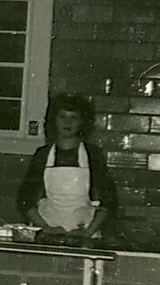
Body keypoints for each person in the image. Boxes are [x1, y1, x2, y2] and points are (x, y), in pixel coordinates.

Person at [16, 93, 117, 246]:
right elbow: (25, 200)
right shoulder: (43, 155)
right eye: (62, 117)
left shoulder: (93, 154)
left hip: (85, 235)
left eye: (73, 118)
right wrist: (46, 228)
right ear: (54, 121)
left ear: (82, 122)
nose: (67, 122)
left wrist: (87, 233)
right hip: (47, 235)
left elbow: (108, 201)